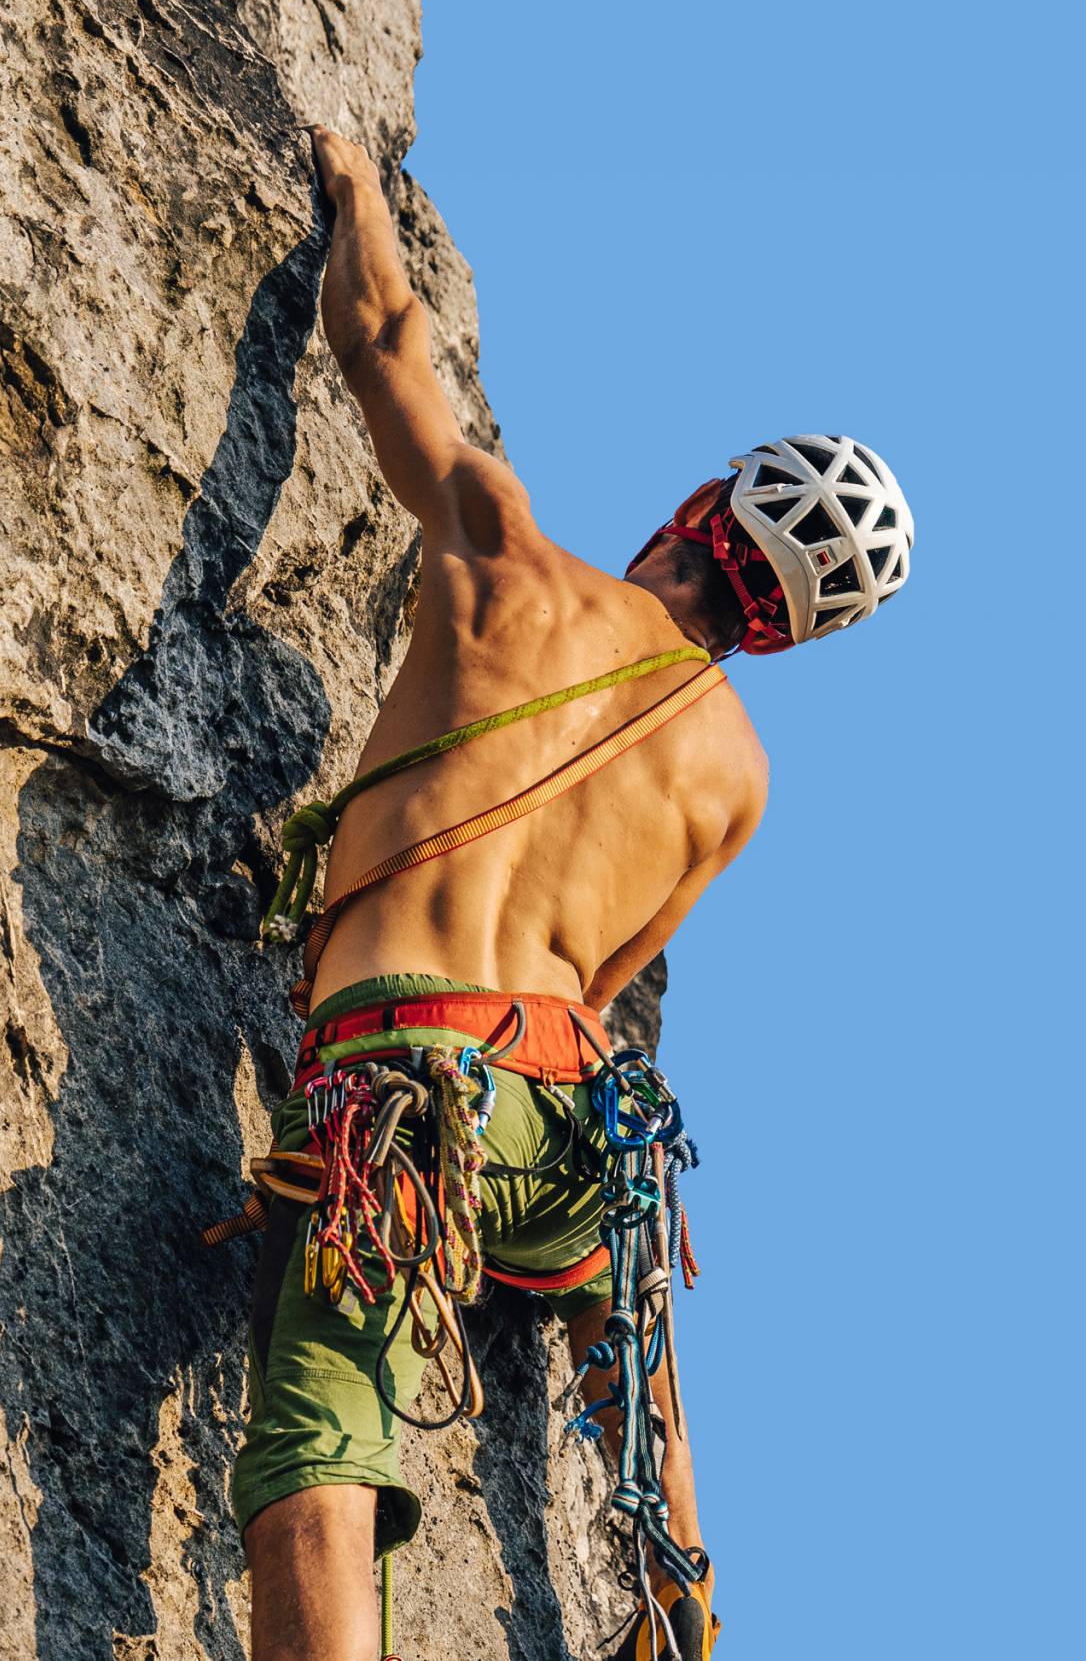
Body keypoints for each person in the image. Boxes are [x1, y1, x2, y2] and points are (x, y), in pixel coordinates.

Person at [233, 125, 914, 1661]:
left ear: (697, 503)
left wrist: (352, 186)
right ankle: (681, 1588)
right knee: (633, 1283)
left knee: (319, 1451)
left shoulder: (500, 558)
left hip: (404, 1098)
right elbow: (603, 997)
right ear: (791, 638)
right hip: (561, 1146)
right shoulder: (734, 784)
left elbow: (381, 337)